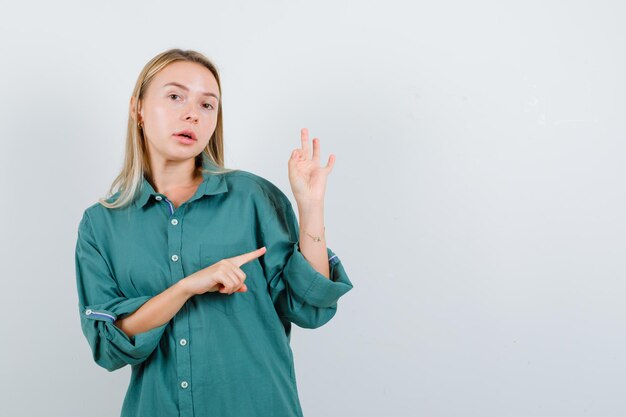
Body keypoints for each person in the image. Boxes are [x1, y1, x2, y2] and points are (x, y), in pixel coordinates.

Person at [74, 48, 354, 417]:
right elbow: (109, 344)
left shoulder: (253, 198)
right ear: (137, 108)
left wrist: (311, 207)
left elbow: (311, 307)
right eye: (175, 96)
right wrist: (186, 287)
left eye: (207, 105)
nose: (192, 112)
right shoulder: (101, 224)